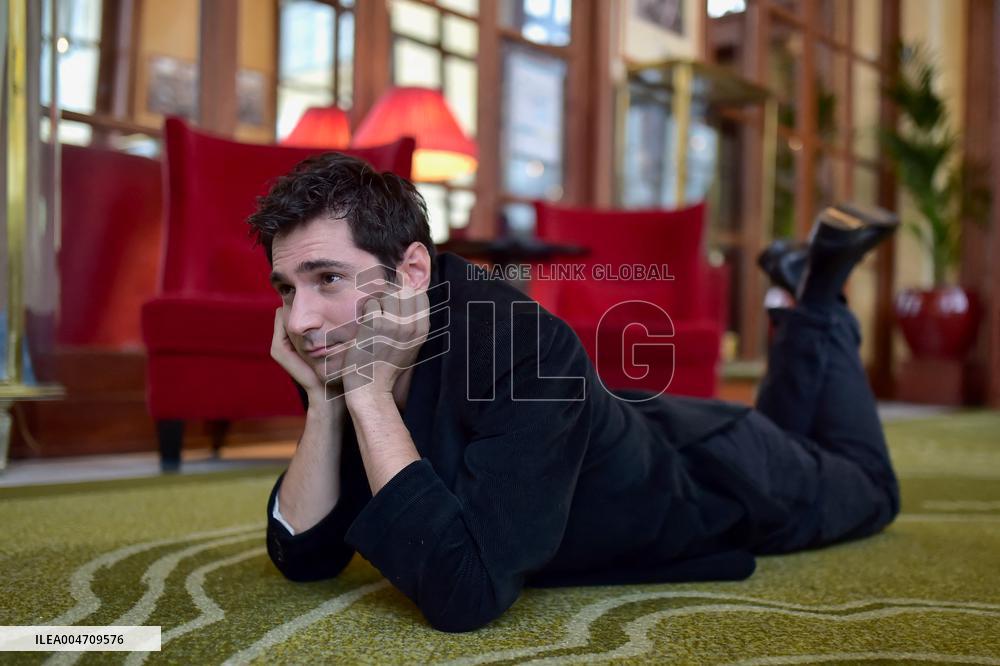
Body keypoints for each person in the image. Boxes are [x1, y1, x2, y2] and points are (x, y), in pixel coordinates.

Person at [247, 153, 900, 633]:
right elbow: (307, 555)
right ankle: (798, 294)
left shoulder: (520, 344)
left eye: (326, 277)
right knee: (804, 441)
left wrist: (365, 399)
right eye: (286, 288)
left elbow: (462, 595)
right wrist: (330, 406)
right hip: (633, 428)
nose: (300, 319)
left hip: (719, 477)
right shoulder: (351, 334)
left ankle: (818, 292)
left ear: (413, 270)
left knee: (870, 487)